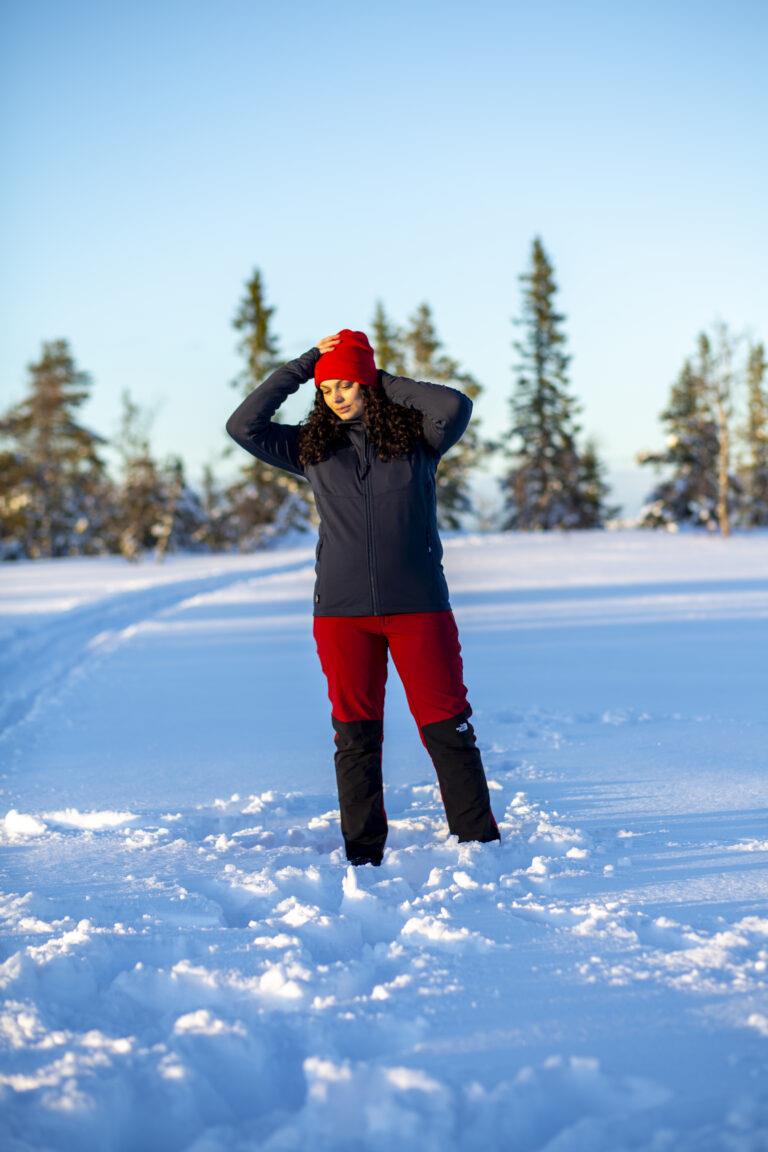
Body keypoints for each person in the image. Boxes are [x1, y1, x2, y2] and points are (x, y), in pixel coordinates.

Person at [226, 328, 501, 866]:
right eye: (329, 389)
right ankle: (363, 853)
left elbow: (454, 403)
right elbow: (243, 426)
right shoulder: (311, 448)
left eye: (349, 385)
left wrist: (379, 378)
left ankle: (479, 844)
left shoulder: (420, 439)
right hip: (341, 615)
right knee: (355, 735)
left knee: (447, 725)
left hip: (419, 607)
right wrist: (306, 365)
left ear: (370, 385)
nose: (339, 396)